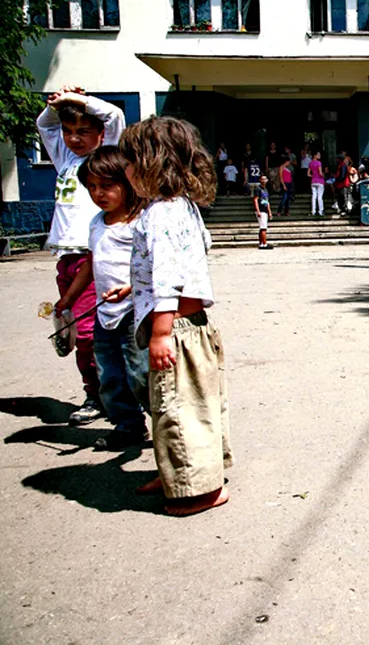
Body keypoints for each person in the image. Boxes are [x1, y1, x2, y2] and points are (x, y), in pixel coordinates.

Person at [120, 115, 233, 516]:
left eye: (129, 163)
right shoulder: (182, 206)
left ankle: (198, 489)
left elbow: (168, 278)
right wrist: (135, 289)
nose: (125, 172)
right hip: (192, 327)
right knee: (195, 405)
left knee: (176, 410)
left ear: (150, 165)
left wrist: (160, 333)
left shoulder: (161, 214)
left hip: (176, 330)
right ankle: (181, 473)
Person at [36, 85, 125, 425]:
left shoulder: (103, 160)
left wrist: (78, 100)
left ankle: (99, 395)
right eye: (68, 131)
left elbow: (114, 115)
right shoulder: (66, 159)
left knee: (88, 332)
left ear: (100, 134)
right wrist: (56, 105)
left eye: (83, 131)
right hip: (66, 257)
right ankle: (102, 390)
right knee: (75, 327)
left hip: (92, 256)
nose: (74, 138)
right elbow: (44, 125)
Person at [55, 146, 149, 450]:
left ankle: (168, 424)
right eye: (92, 186)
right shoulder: (97, 222)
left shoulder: (140, 222)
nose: (98, 193)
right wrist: (68, 299)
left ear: (129, 182)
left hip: (135, 312)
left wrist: (131, 288)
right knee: (108, 373)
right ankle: (128, 426)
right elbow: (90, 265)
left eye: (107, 186)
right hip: (104, 313)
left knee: (140, 374)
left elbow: (152, 267)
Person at [254, 174, 274, 249]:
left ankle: (261, 243)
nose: (264, 180)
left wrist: (269, 212)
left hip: (265, 209)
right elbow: (255, 200)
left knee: (262, 228)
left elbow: (267, 201)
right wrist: (258, 211)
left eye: (265, 179)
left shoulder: (265, 190)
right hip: (261, 210)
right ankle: (265, 244)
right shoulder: (258, 189)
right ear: (260, 180)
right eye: (262, 179)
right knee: (263, 228)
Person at [309, 151, 325, 217]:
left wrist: (314, 176)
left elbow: (308, 174)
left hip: (313, 181)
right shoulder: (319, 163)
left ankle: (313, 211)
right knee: (319, 197)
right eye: (318, 154)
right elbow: (320, 173)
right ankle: (321, 211)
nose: (319, 155)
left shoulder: (310, 163)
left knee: (314, 196)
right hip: (320, 181)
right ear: (314, 155)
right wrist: (324, 175)